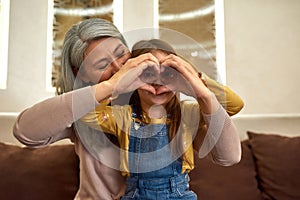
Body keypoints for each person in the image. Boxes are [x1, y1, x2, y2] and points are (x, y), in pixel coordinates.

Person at [13, 18, 244, 199]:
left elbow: (230, 134)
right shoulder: (84, 109)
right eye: (102, 65)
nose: (118, 67)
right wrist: (110, 87)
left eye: (121, 54)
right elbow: (25, 131)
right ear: (80, 73)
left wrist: (194, 79)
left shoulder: (177, 111)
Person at [80, 39, 242, 199]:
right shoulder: (123, 116)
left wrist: (197, 81)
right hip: (135, 194)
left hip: (179, 194)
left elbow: (234, 106)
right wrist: (117, 84)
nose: (157, 82)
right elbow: (85, 113)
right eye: (148, 74)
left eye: (168, 74)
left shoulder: (188, 114)